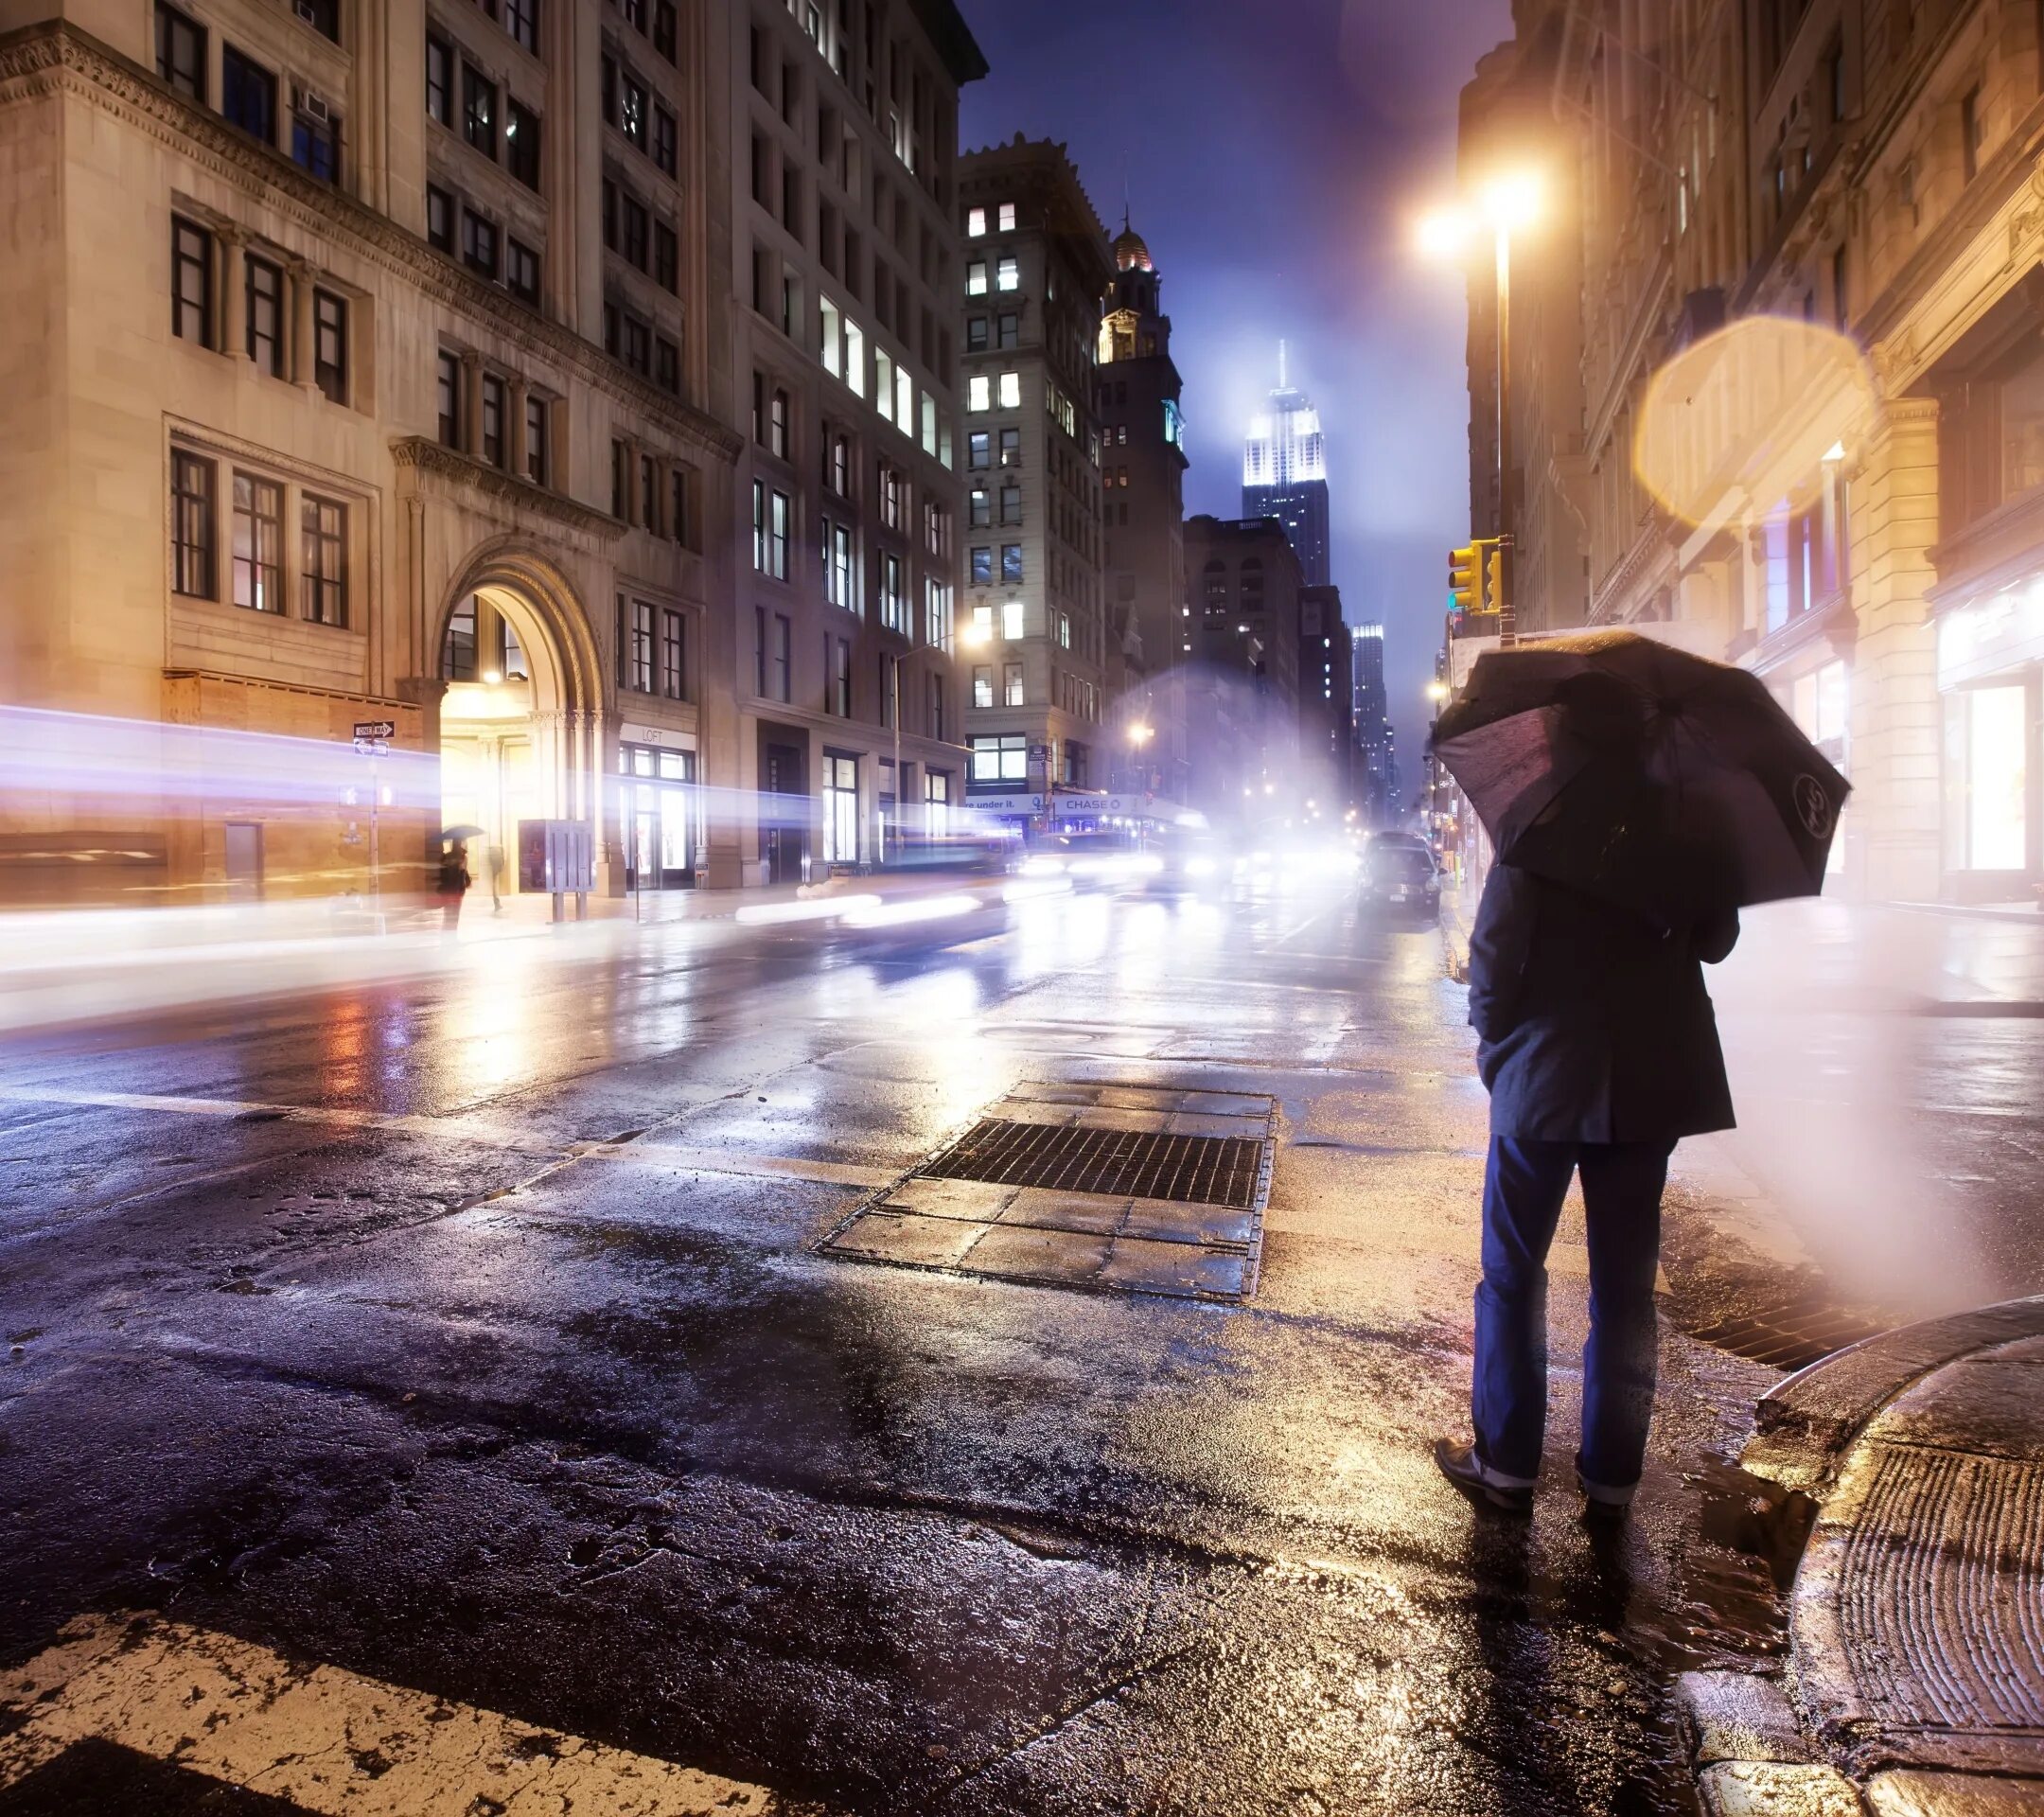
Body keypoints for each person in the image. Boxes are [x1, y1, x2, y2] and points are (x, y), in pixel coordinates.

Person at [1436, 861, 1738, 1519]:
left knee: (1513, 1271)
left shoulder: (1544, 819)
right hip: (1648, 1073)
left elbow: (1496, 949)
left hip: (1544, 1068)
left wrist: (1492, 1034)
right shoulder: (1685, 824)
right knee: (1625, 1291)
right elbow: (1717, 939)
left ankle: (1506, 1464)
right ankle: (1612, 1478)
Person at [433, 841, 469, 939]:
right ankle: (451, 934)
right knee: (454, 914)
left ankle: (447, 934)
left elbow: (441, 872)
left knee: (448, 914)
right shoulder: (463, 858)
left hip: (449, 890)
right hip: (458, 889)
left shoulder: (446, 857)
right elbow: (463, 874)